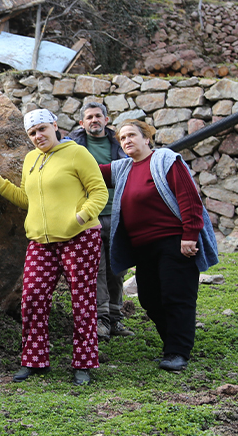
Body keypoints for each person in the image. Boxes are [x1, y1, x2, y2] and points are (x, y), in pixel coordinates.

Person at [0, 109, 108, 386]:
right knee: (33, 298)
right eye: (32, 133)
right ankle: (34, 361)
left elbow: (99, 190)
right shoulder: (31, 159)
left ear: (54, 125)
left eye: (41, 129)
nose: (38, 136)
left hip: (80, 237)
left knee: (82, 301)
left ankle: (83, 364)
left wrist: (81, 217)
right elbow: (27, 200)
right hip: (41, 241)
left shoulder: (77, 154)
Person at [99, 120, 218, 372]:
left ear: (147, 139)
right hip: (143, 247)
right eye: (122, 138)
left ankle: (178, 352)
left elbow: (189, 198)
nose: (127, 141)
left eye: (132, 135)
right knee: (150, 299)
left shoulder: (165, 160)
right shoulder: (123, 168)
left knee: (176, 296)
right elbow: (91, 172)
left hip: (173, 242)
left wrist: (189, 235)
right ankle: (172, 345)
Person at [69, 102, 134, 341]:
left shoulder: (121, 144)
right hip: (89, 217)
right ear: (81, 123)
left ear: (107, 120)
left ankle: (116, 318)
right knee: (95, 269)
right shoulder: (71, 147)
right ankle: (101, 320)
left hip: (118, 214)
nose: (94, 120)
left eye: (98, 116)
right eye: (89, 117)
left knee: (117, 268)